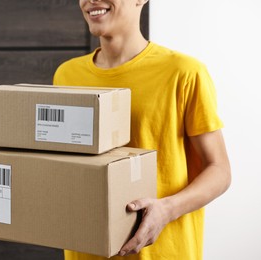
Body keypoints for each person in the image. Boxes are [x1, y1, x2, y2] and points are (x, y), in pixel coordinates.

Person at [53, 0, 231, 259]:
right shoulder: (67, 75)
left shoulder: (183, 72)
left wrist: (167, 209)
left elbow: (220, 170)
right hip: (85, 251)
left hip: (161, 252)